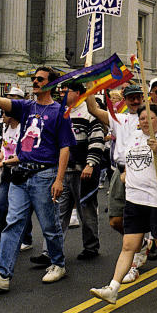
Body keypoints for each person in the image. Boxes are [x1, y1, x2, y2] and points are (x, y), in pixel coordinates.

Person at [0, 64, 73, 291]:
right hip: (21, 174)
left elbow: (65, 148)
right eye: (34, 78)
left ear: (50, 84)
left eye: (40, 79)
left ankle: (58, 263)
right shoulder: (26, 106)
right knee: (13, 223)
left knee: (49, 225)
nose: (35, 82)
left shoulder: (60, 112)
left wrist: (59, 180)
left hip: (45, 175)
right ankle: (2, 274)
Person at [90, 104, 157, 305]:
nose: (145, 121)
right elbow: (129, 163)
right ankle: (113, 288)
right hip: (135, 200)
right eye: (142, 118)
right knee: (128, 246)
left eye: (150, 118)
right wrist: (126, 175)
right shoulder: (133, 138)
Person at [60, 81, 106, 260]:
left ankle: (91, 247)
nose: (63, 94)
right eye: (61, 91)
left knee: (86, 210)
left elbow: (97, 140)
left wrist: (90, 163)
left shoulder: (89, 113)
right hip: (63, 171)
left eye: (66, 90)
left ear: (78, 93)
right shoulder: (61, 113)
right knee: (59, 212)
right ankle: (51, 251)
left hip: (83, 171)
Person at [0, 98, 33, 253]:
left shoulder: (24, 129)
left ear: (12, 115)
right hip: (7, 173)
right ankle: (3, 238)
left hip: (21, 172)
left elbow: (23, 154)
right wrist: (0, 157)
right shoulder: (6, 128)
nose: (2, 116)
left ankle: (26, 238)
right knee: (1, 206)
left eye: (4, 113)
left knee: (23, 208)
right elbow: (4, 148)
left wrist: (3, 163)